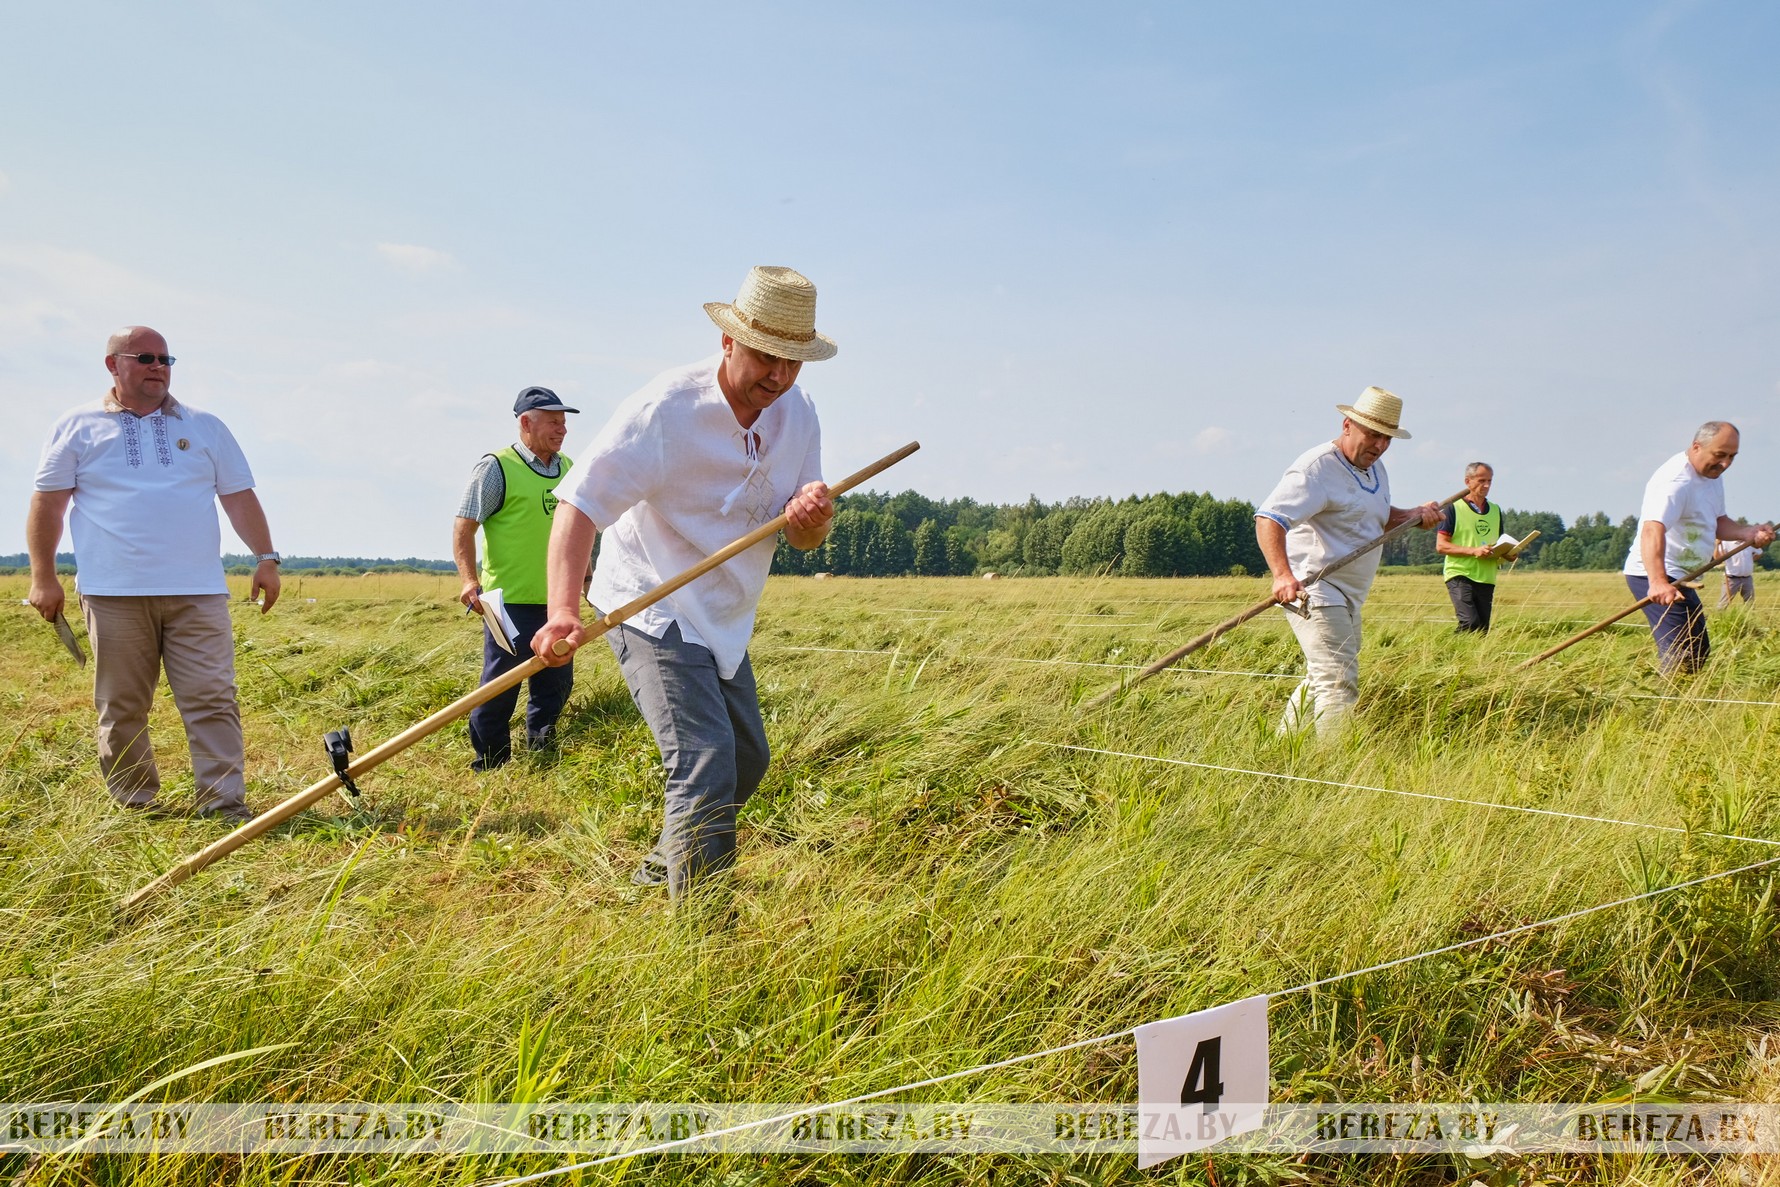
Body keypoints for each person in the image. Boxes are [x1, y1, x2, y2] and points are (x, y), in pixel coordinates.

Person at [533, 266, 837, 899]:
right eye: (765, 356)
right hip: (650, 601)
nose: (777, 376)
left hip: (723, 612)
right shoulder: (665, 410)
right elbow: (578, 505)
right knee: (704, 764)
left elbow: (801, 537)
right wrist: (562, 610)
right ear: (728, 341)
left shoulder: (799, 416)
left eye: (793, 361)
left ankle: (658, 869)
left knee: (745, 761)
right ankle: (701, 945)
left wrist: (811, 521)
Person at [26, 326, 280, 821]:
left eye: (166, 359)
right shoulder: (77, 426)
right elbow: (48, 504)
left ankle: (224, 805)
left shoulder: (205, 426)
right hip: (113, 592)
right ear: (112, 365)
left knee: (212, 698)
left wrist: (266, 558)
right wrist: (43, 575)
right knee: (122, 706)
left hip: (199, 591)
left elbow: (239, 498)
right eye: (145, 357)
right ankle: (136, 804)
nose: (158, 367)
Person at [1255, 386, 1441, 735]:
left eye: (1387, 438)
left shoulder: (1375, 469)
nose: (1379, 445)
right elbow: (1270, 518)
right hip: (1315, 589)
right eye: (1373, 434)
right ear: (1347, 425)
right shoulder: (1316, 469)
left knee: (1322, 675)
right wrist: (1282, 575)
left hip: (1350, 595)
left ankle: (1283, 750)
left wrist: (1413, 515)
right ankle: (1329, 771)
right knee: (1339, 682)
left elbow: (1376, 516)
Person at [453, 387, 582, 770]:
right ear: (526, 423)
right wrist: (468, 580)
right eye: (553, 422)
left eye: (564, 423)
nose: (561, 430)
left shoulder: (569, 469)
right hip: (506, 602)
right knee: (501, 686)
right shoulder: (497, 467)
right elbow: (464, 528)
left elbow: (578, 531)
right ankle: (490, 762)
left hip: (556, 601)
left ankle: (541, 753)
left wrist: (586, 576)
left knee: (555, 682)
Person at [1624, 422, 1774, 673]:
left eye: (1731, 457)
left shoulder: (1711, 476)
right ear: (1696, 447)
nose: (1725, 464)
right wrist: (1658, 581)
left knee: (1698, 649)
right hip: (1656, 575)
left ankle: (1678, 701)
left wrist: (1747, 533)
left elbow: (1717, 522)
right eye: (1720, 455)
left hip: (1683, 577)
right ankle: (1669, 706)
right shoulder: (1675, 482)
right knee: (1683, 652)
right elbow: (1652, 530)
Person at [1435, 462, 1503, 632]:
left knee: (1482, 629)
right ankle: (1450, 655)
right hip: (1460, 574)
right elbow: (1441, 546)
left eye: (1489, 481)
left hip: (1487, 577)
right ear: (1468, 481)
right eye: (1481, 480)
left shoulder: (1495, 510)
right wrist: (1474, 551)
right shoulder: (1453, 509)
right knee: (1469, 623)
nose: (1486, 485)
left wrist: (1508, 553)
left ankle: (1470, 658)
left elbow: (1499, 543)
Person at [1714, 530, 1760, 608]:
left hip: (1747, 578)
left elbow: (1759, 552)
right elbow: (1717, 558)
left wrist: (1751, 559)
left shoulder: (1749, 543)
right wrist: (1717, 545)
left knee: (1750, 604)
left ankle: (1747, 619)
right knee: (1723, 604)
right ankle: (1719, 619)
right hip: (1731, 579)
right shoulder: (1725, 543)